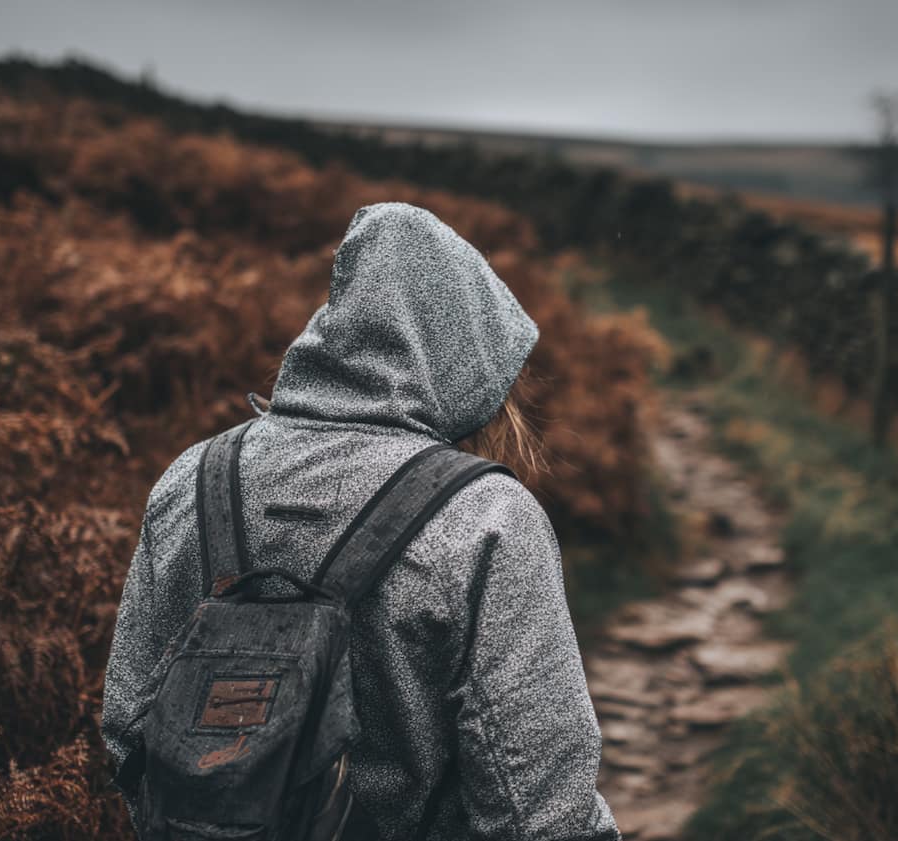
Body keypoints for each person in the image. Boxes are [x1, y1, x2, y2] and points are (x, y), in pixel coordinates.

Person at [101, 202, 619, 841]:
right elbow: (538, 804)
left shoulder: (191, 481)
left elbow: (129, 729)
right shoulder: (485, 517)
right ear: (468, 362)